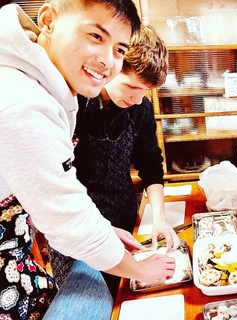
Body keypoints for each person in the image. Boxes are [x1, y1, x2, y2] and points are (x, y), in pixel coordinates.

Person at [0, 1, 175, 319]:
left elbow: (151, 160)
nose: (107, 60)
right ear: (49, 20)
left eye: (118, 49)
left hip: (109, 220)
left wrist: (119, 228)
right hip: (68, 235)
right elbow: (67, 220)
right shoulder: (28, 103)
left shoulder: (51, 90)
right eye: (96, 35)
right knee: (93, 298)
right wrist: (140, 269)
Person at [48, 23, 181, 296]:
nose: (138, 99)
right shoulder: (75, 104)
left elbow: (151, 162)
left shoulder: (139, 106)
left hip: (123, 211)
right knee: (90, 293)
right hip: (76, 220)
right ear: (112, 67)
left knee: (126, 295)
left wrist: (160, 217)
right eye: (132, 87)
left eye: (146, 91)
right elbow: (57, 185)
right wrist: (100, 228)